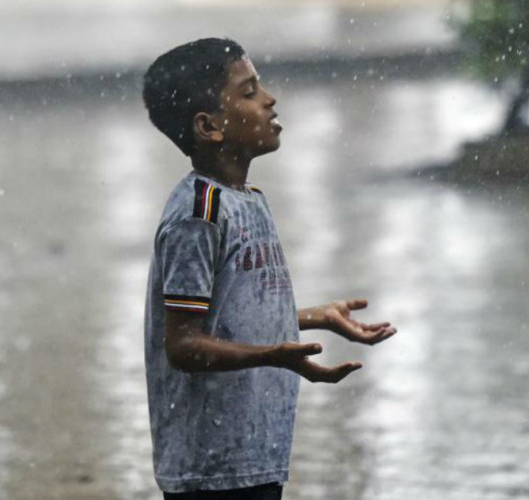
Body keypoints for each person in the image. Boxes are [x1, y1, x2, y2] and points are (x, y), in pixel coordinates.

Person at [141, 38, 397, 500]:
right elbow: (182, 344)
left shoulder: (249, 200)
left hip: (255, 452)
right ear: (209, 126)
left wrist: (315, 316)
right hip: (210, 466)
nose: (269, 99)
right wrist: (273, 356)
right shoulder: (198, 214)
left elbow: (229, 311)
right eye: (249, 92)